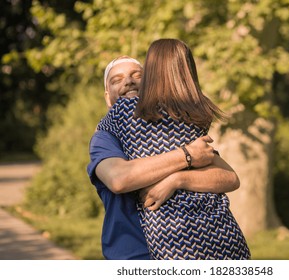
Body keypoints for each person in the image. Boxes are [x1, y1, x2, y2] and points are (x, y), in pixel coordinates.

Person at [97, 39, 250, 260]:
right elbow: (119, 179)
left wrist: (176, 180)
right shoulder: (198, 112)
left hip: (174, 241)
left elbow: (230, 178)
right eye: (117, 80)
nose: (129, 83)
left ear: (150, 75)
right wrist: (187, 156)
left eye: (137, 75)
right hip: (224, 234)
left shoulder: (120, 114)